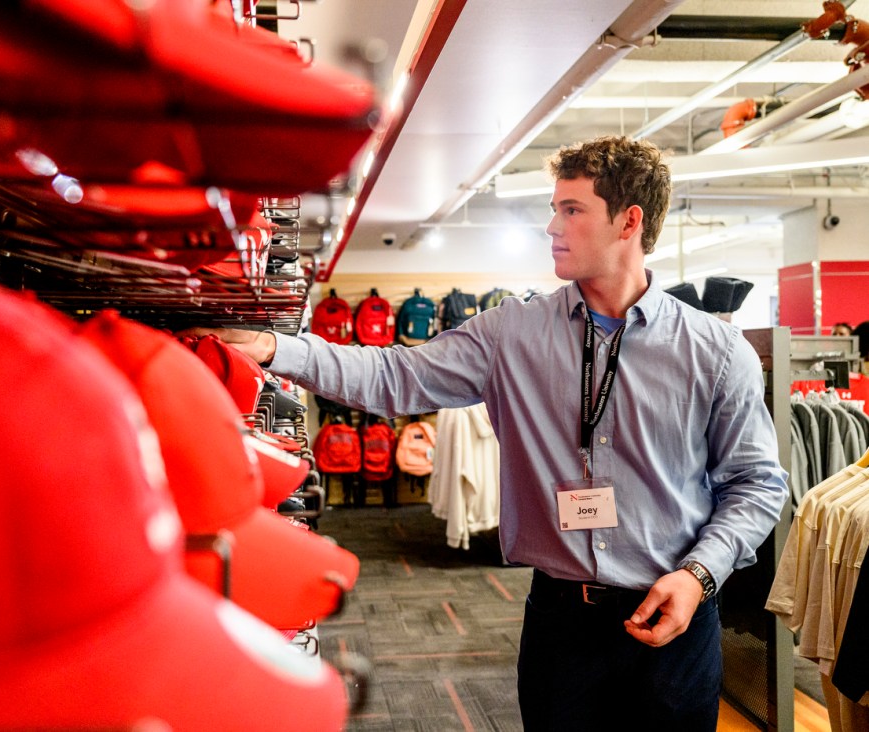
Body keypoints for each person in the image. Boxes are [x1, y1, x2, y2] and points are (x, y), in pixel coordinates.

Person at [182, 135, 788, 731]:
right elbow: (396, 375)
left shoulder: (713, 350)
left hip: (675, 617)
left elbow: (757, 483)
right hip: (561, 625)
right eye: (555, 208)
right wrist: (275, 348)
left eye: (571, 210)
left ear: (628, 222)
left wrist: (699, 574)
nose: (552, 226)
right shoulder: (513, 332)